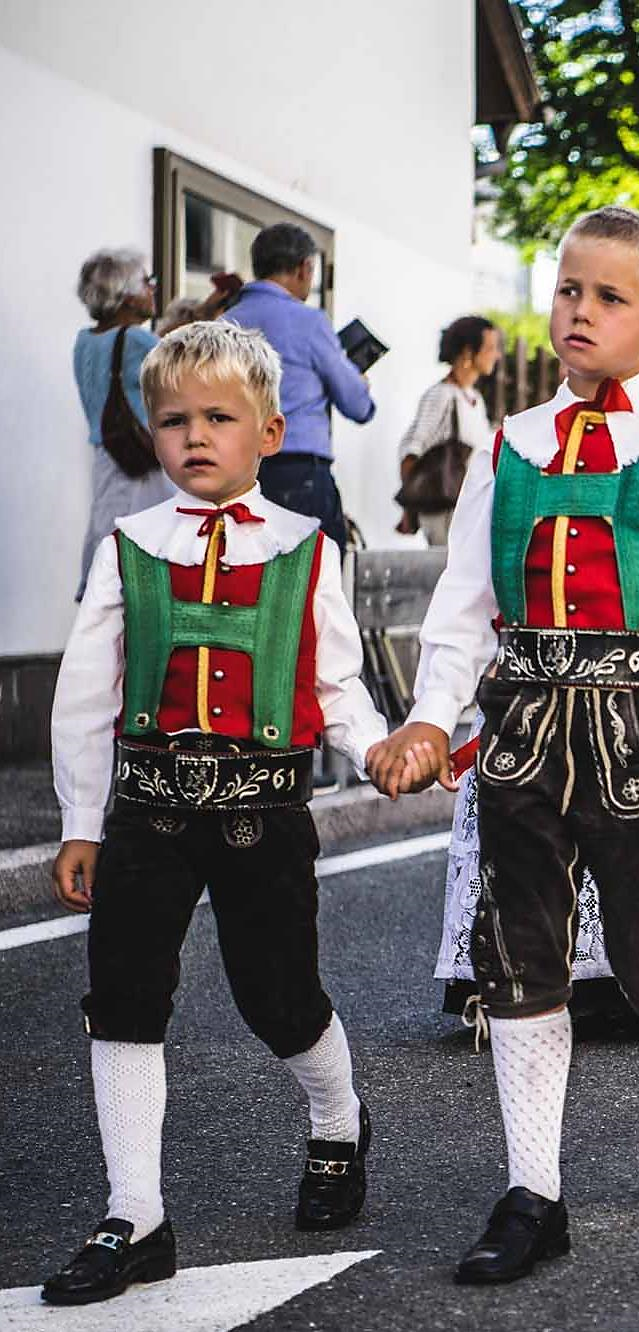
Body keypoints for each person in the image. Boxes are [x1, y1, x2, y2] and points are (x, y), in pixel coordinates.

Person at [368, 206, 639, 1283]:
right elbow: (464, 603)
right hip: (523, 728)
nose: (579, 311)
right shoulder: (507, 444)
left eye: (609, 297)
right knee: (520, 954)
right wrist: (429, 713)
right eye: (568, 290)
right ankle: (532, 1192)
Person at [42, 322, 388, 1305]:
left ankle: (335, 1120)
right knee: (122, 996)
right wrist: (80, 818)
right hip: (146, 812)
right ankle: (134, 1213)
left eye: (219, 418)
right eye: (174, 421)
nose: (195, 437)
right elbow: (84, 691)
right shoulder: (129, 545)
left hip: (263, 812)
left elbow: (342, 684)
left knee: (276, 997)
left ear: (270, 431)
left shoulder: (307, 549)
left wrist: (378, 751)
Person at [227, 223, 375, 553]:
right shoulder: (309, 322)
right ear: (304, 268)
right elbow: (356, 404)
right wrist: (358, 380)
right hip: (300, 474)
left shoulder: (227, 321)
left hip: (238, 472)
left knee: (249, 577)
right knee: (313, 584)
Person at [72, 249, 175, 596]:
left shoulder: (85, 341)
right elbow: (187, 370)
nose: (153, 289)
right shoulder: (135, 339)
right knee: (147, 550)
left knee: (106, 536)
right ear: (125, 294)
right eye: (147, 282)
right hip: (141, 459)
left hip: (107, 456)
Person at [397, 315, 502, 545]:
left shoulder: (474, 398)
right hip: (444, 509)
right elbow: (412, 449)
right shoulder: (441, 396)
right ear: (467, 353)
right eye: (490, 348)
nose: (497, 355)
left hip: (467, 508)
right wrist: (410, 508)